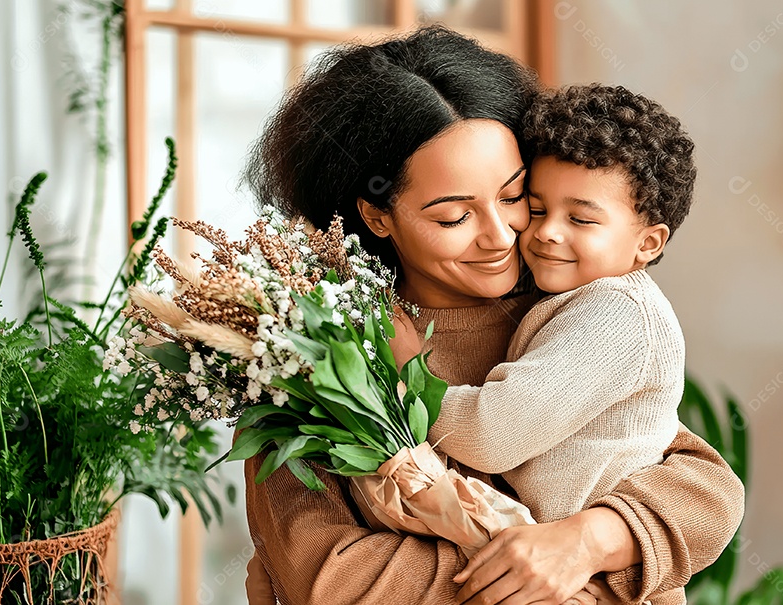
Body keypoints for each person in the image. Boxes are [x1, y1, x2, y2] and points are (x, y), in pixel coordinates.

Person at [243, 25, 745, 605]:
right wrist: (555, 574)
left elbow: (704, 488)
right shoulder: (311, 349)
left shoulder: (570, 306)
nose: (504, 235)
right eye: (455, 216)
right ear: (377, 216)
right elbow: (333, 579)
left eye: (513, 197)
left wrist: (588, 539)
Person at [428, 83, 694, 526]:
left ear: (648, 242)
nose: (547, 232)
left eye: (581, 219)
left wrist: (402, 371)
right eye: (534, 208)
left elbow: (492, 434)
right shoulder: (567, 291)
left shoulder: (619, 314)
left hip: (601, 588)